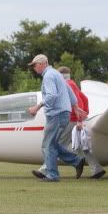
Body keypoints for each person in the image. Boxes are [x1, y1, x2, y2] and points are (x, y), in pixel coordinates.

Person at [26, 54, 85, 182]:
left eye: (35, 65)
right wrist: (75, 106)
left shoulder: (48, 76)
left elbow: (52, 95)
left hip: (56, 114)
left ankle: (52, 175)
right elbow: (69, 90)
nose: (34, 68)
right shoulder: (56, 74)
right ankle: (76, 161)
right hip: (64, 114)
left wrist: (37, 107)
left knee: (47, 145)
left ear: (42, 64)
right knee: (52, 144)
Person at [57, 66, 106, 180]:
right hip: (77, 120)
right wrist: (84, 116)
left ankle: (46, 170)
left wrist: (79, 120)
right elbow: (85, 99)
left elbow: (78, 102)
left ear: (60, 76)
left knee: (57, 145)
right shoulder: (73, 84)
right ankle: (97, 170)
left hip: (73, 120)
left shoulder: (68, 85)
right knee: (82, 147)